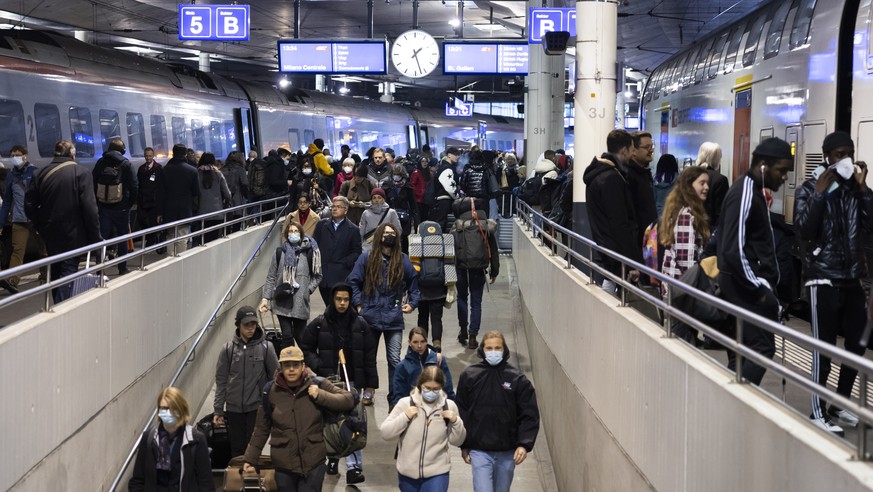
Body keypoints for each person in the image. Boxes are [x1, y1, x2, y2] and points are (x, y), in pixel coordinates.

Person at [794, 130, 873, 435]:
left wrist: (865, 190)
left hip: (853, 277)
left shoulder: (857, 190)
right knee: (823, 348)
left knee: (856, 344)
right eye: (837, 155)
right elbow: (804, 230)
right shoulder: (810, 187)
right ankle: (817, 411)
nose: (843, 160)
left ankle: (840, 404)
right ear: (826, 157)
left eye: (848, 153)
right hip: (822, 278)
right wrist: (818, 194)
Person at [717, 137, 793, 385]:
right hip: (746, 292)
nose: (784, 177)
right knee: (762, 347)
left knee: (740, 352)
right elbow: (732, 249)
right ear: (763, 165)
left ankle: (731, 404)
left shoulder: (749, 191)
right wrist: (759, 289)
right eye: (781, 170)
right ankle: (736, 404)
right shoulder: (746, 192)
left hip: (742, 289)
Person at [298, 282, 378, 484]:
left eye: (346, 299)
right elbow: (305, 346)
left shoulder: (361, 325)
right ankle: (332, 457)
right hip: (328, 382)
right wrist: (320, 365)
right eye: (338, 299)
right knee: (330, 422)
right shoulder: (320, 323)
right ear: (333, 300)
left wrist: (370, 385)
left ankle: (353, 468)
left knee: (353, 422)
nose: (342, 303)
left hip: (352, 382)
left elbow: (369, 356)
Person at [243, 345, 354, 490]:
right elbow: (261, 429)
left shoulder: (318, 384)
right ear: (280, 367)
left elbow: (348, 399)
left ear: (303, 366)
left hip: (314, 462)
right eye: (287, 365)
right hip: (284, 466)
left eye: (295, 365)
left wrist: (321, 395)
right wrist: (250, 459)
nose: (291, 369)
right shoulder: (269, 392)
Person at [456, 331, 539, 492]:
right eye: (489, 348)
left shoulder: (517, 379)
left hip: (507, 452)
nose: (493, 351)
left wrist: (524, 444)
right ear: (482, 350)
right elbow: (462, 412)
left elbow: (529, 414)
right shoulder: (470, 376)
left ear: (504, 350)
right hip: (480, 451)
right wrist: (464, 445)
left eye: (497, 348)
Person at [348, 223, 420, 408]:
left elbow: (414, 283)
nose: (389, 236)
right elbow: (353, 281)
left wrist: (412, 304)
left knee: (394, 359)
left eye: (392, 233)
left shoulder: (402, 260)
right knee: (368, 358)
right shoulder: (367, 259)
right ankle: (369, 390)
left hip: (394, 318)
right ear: (379, 235)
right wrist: (358, 305)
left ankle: (395, 396)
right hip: (370, 316)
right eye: (386, 233)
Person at [25, 140, 102, 304]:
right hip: (74, 234)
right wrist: (96, 237)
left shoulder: (40, 173)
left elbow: (29, 205)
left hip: (50, 234)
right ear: (72, 154)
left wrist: (41, 224)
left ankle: (56, 305)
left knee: (55, 270)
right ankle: (61, 310)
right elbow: (90, 208)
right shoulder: (81, 172)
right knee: (68, 270)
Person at [380, 366, 466, 492]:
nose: (431, 392)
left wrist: (456, 421)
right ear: (420, 386)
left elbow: (457, 441)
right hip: (407, 472)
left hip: (437, 472)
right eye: (428, 388)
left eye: (436, 389)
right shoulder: (405, 404)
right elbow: (386, 433)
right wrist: (405, 417)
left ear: (441, 387)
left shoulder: (449, 406)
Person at [213, 306, 279, 457]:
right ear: (238, 325)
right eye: (246, 325)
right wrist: (218, 410)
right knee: (236, 450)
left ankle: (252, 480)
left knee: (253, 450)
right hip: (233, 408)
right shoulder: (228, 349)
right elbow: (221, 381)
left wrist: (273, 406)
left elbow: (275, 379)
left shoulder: (266, 348)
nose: (250, 328)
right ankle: (238, 480)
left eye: (253, 324)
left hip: (256, 408)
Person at [583, 129, 643, 293]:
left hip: (606, 249)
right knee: (610, 290)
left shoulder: (598, 174)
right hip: (615, 253)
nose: (633, 155)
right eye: (631, 150)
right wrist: (631, 263)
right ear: (623, 151)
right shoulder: (611, 179)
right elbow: (619, 223)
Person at [658, 167, 711, 342]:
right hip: (681, 292)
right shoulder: (687, 215)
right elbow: (685, 258)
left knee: (680, 340)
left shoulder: (681, 210)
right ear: (689, 186)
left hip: (677, 289)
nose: (706, 187)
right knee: (680, 342)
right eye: (701, 183)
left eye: (707, 183)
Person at [128, 387, 214, 491]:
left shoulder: (196, 440)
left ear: (181, 409)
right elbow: (137, 480)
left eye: (172, 408)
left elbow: (206, 483)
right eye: (163, 408)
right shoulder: (149, 438)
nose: (168, 412)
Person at [260, 220, 322, 348]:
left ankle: (307, 362)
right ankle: (288, 364)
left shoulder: (309, 252)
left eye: (296, 231)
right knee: (287, 336)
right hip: (282, 300)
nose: (293, 234)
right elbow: (271, 276)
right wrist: (266, 298)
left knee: (301, 336)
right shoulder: (279, 252)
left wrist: (307, 290)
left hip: (300, 301)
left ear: (301, 233)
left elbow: (318, 275)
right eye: (290, 231)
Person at [453, 198, 500, 349]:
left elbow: (451, 248)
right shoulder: (486, 225)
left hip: (461, 268)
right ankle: (473, 335)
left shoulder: (458, 224)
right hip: (479, 268)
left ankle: (463, 330)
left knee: (461, 299)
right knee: (476, 303)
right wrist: (494, 270)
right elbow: (493, 249)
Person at [0, 144, 47, 293]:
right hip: (19, 219)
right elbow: (7, 201)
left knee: (43, 250)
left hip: (35, 219)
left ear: (25, 156)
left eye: (18, 155)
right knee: (17, 250)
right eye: (13, 155)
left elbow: (42, 196)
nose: (15, 158)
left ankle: (45, 276)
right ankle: (12, 281)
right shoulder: (10, 176)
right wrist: (1, 222)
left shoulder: (34, 172)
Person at [92, 138, 138, 275]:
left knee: (102, 238)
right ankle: (122, 268)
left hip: (103, 207)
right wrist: (129, 203)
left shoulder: (100, 162)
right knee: (122, 238)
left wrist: (98, 201)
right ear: (122, 150)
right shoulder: (126, 164)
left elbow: (94, 182)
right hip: (122, 207)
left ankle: (99, 270)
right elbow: (135, 185)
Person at [312, 196, 363, 305]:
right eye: (333, 206)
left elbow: (357, 252)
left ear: (346, 210)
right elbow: (314, 246)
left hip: (341, 275)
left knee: (339, 306)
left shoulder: (353, 230)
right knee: (329, 305)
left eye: (338, 207)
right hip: (324, 274)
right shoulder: (321, 225)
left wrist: (345, 263)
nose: (334, 209)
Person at [392, 327, 455, 409]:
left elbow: (448, 389)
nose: (419, 346)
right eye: (415, 342)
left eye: (422, 341)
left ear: (426, 341)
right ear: (409, 343)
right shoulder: (402, 367)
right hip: (413, 412)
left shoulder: (439, 361)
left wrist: (451, 409)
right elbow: (399, 396)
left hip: (438, 410)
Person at [162, 144, 200, 254]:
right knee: (183, 236)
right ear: (185, 154)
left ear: (173, 153)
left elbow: (160, 193)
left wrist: (159, 212)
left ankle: (169, 261)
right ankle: (180, 261)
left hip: (168, 209)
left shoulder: (164, 170)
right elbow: (195, 192)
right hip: (185, 208)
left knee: (170, 236)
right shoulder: (192, 171)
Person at [624, 131, 658, 244]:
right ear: (633, 151)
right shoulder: (629, 176)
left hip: (650, 237)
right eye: (646, 147)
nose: (651, 150)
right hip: (638, 241)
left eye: (652, 146)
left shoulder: (645, 173)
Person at [194, 152, 232, 245]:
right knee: (215, 241)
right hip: (217, 212)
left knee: (203, 240)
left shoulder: (196, 175)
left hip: (201, 214)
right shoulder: (218, 174)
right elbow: (228, 194)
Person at [135, 147, 167, 252]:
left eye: (149, 156)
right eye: (146, 156)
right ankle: (151, 239)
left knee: (154, 223)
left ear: (153, 156)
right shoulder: (141, 169)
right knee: (143, 221)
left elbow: (161, 187)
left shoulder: (158, 169)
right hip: (143, 201)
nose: (148, 158)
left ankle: (153, 241)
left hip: (154, 201)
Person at [359, 187, 402, 252]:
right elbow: (361, 231)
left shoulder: (391, 212)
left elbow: (398, 230)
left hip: (387, 246)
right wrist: (362, 245)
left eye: (379, 197)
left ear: (383, 199)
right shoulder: (366, 213)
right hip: (369, 246)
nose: (376, 200)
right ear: (371, 200)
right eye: (374, 198)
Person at [696, 142, 728, 229]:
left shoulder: (689, 175)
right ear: (716, 159)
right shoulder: (720, 179)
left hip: (689, 227)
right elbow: (720, 212)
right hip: (709, 230)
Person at [429, 147, 461, 230]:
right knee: (443, 224)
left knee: (442, 224)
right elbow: (449, 186)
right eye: (456, 155)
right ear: (449, 155)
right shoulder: (447, 168)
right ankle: (442, 242)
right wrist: (457, 196)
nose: (457, 157)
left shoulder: (443, 167)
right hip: (444, 200)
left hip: (442, 199)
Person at [387, 166, 418, 249]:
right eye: (394, 174)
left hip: (405, 220)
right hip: (391, 217)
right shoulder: (388, 186)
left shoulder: (408, 187)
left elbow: (413, 206)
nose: (396, 177)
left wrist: (416, 224)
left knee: (404, 242)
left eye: (398, 174)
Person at [221, 151, 249, 233]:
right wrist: (247, 195)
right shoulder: (240, 169)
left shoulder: (222, 169)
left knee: (227, 225)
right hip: (237, 199)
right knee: (237, 225)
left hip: (225, 201)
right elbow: (244, 183)